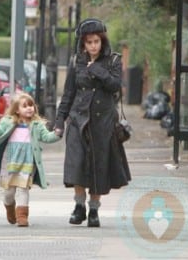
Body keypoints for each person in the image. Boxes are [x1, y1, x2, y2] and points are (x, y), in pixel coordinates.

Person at [54, 18, 131, 227]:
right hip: (78, 119)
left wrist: (96, 69)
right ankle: (79, 206)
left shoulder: (113, 60)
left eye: (96, 41)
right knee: (76, 163)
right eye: (89, 42)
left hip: (103, 122)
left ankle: (94, 209)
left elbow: (115, 85)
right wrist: (60, 120)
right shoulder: (76, 61)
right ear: (83, 43)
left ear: (102, 41)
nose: (93, 46)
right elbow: (69, 93)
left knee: (100, 165)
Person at [0, 93, 62, 227]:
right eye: (25, 106)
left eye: (31, 106)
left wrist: (57, 134)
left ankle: (22, 216)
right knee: (9, 192)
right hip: (10, 161)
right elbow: (0, 131)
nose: (29, 108)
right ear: (17, 110)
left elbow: (46, 137)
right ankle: (10, 207)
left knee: (24, 189)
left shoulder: (37, 125)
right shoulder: (9, 122)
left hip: (27, 162)